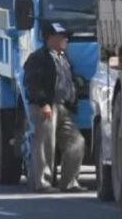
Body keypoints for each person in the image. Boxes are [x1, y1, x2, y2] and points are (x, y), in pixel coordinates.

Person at [22, 22, 86, 193]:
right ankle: (43, 183)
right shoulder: (38, 58)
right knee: (45, 144)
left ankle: (69, 182)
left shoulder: (63, 57)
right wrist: (43, 103)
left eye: (65, 37)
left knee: (77, 142)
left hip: (64, 107)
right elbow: (32, 83)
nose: (65, 40)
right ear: (49, 39)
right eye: (61, 37)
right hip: (45, 106)